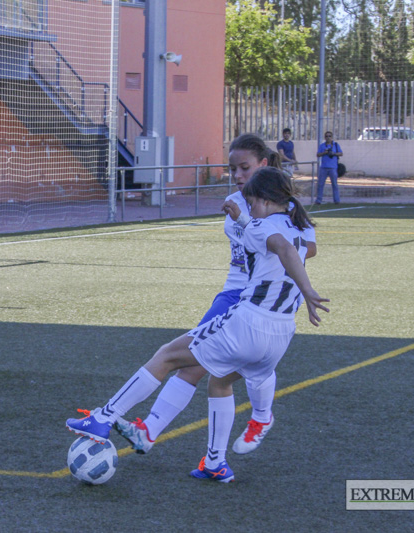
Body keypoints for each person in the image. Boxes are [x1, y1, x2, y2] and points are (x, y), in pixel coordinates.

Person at [66, 167, 329, 482]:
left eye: (251, 203)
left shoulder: (264, 224)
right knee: (220, 381)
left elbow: (277, 246)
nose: (249, 209)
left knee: (167, 356)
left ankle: (103, 417)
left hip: (249, 323)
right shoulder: (296, 226)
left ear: (263, 199)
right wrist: (244, 221)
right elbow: (284, 245)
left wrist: (309, 290)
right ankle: (216, 462)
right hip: (281, 334)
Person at [113, 133, 315, 457]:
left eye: (244, 167)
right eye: (232, 168)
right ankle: (187, 446)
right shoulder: (240, 204)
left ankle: (254, 421)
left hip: (259, 302)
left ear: (264, 165)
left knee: (202, 364)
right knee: (204, 370)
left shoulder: (279, 207)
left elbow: (300, 247)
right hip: (235, 294)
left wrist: (279, 241)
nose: (237, 175)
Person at [315, 131, 342, 205]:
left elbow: (341, 153)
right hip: (323, 167)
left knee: (334, 184)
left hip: (333, 168)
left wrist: (334, 153)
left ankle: (336, 200)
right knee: (320, 184)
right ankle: (318, 200)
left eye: (329, 136)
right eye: (326, 136)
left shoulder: (336, 145)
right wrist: (324, 153)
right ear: (325, 137)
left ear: (332, 137)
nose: (328, 137)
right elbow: (318, 154)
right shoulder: (322, 146)